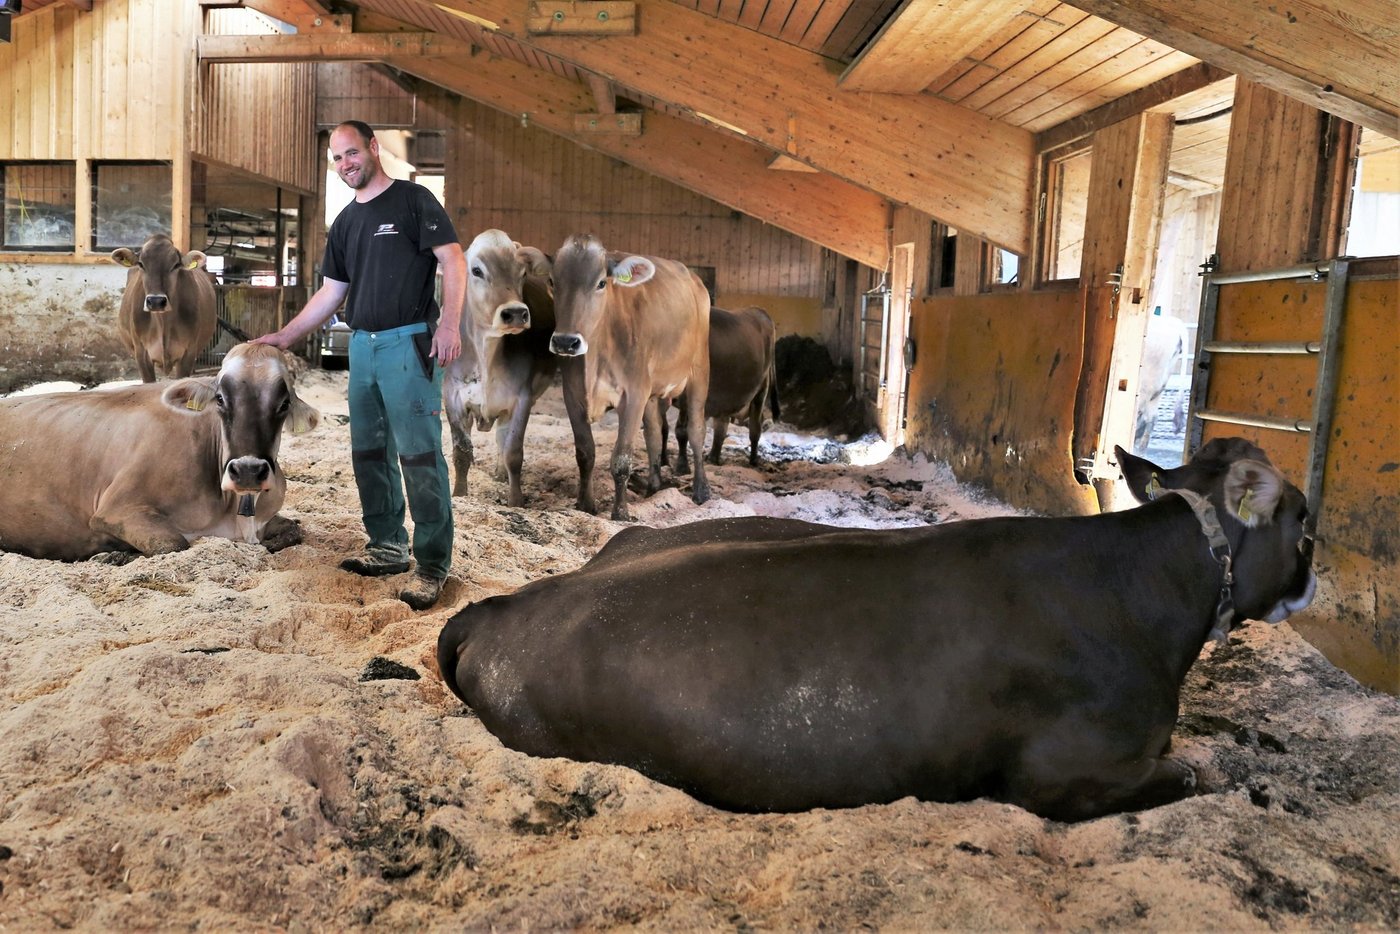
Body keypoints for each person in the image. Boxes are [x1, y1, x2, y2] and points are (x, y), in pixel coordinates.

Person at [255, 120, 465, 611]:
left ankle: (433, 564)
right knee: (368, 453)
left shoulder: (415, 202)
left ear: (373, 148)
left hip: (410, 343)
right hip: (362, 348)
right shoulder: (346, 222)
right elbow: (333, 292)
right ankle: (387, 545)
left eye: (352, 153)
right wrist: (286, 336)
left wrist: (449, 325)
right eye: (337, 158)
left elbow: (453, 261)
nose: (345, 164)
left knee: (418, 456)